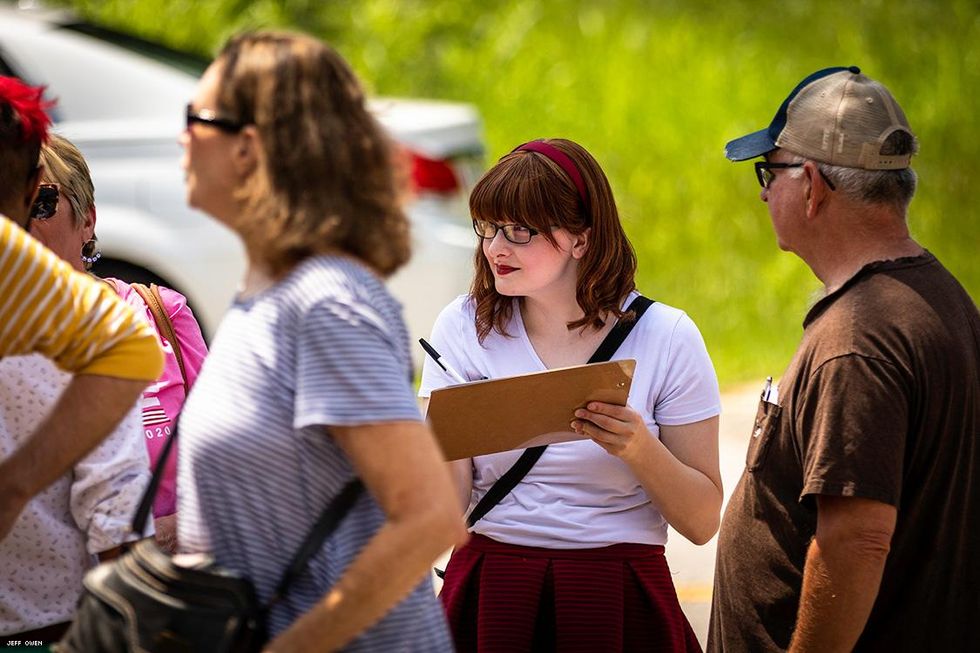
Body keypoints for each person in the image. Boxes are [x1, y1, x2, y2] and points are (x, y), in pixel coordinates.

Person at [172, 31, 465, 652]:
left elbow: (428, 516)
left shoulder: (326, 303)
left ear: (248, 148)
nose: (180, 137)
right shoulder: (269, 294)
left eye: (193, 119)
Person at [709, 66, 980, 652]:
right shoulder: (940, 297)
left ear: (812, 184)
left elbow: (857, 542)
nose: (762, 192)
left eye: (770, 172)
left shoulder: (858, 341)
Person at [420, 138, 722, 652]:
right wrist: (440, 437)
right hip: (494, 583)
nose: (496, 247)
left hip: (615, 584)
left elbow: (701, 522)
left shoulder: (666, 335)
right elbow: (443, 513)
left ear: (581, 238)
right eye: (489, 228)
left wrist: (638, 447)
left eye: (520, 231)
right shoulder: (463, 327)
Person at [0, 77, 164, 548]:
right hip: (58, 618)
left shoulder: (131, 313)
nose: (35, 224)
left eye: (51, 205)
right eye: (42, 200)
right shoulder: (89, 327)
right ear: (30, 189)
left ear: (87, 218)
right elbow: (118, 522)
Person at [32, 133, 208, 553]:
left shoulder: (161, 315)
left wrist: (163, 537)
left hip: (167, 593)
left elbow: (229, 466)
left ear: (87, 220)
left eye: (41, 202)